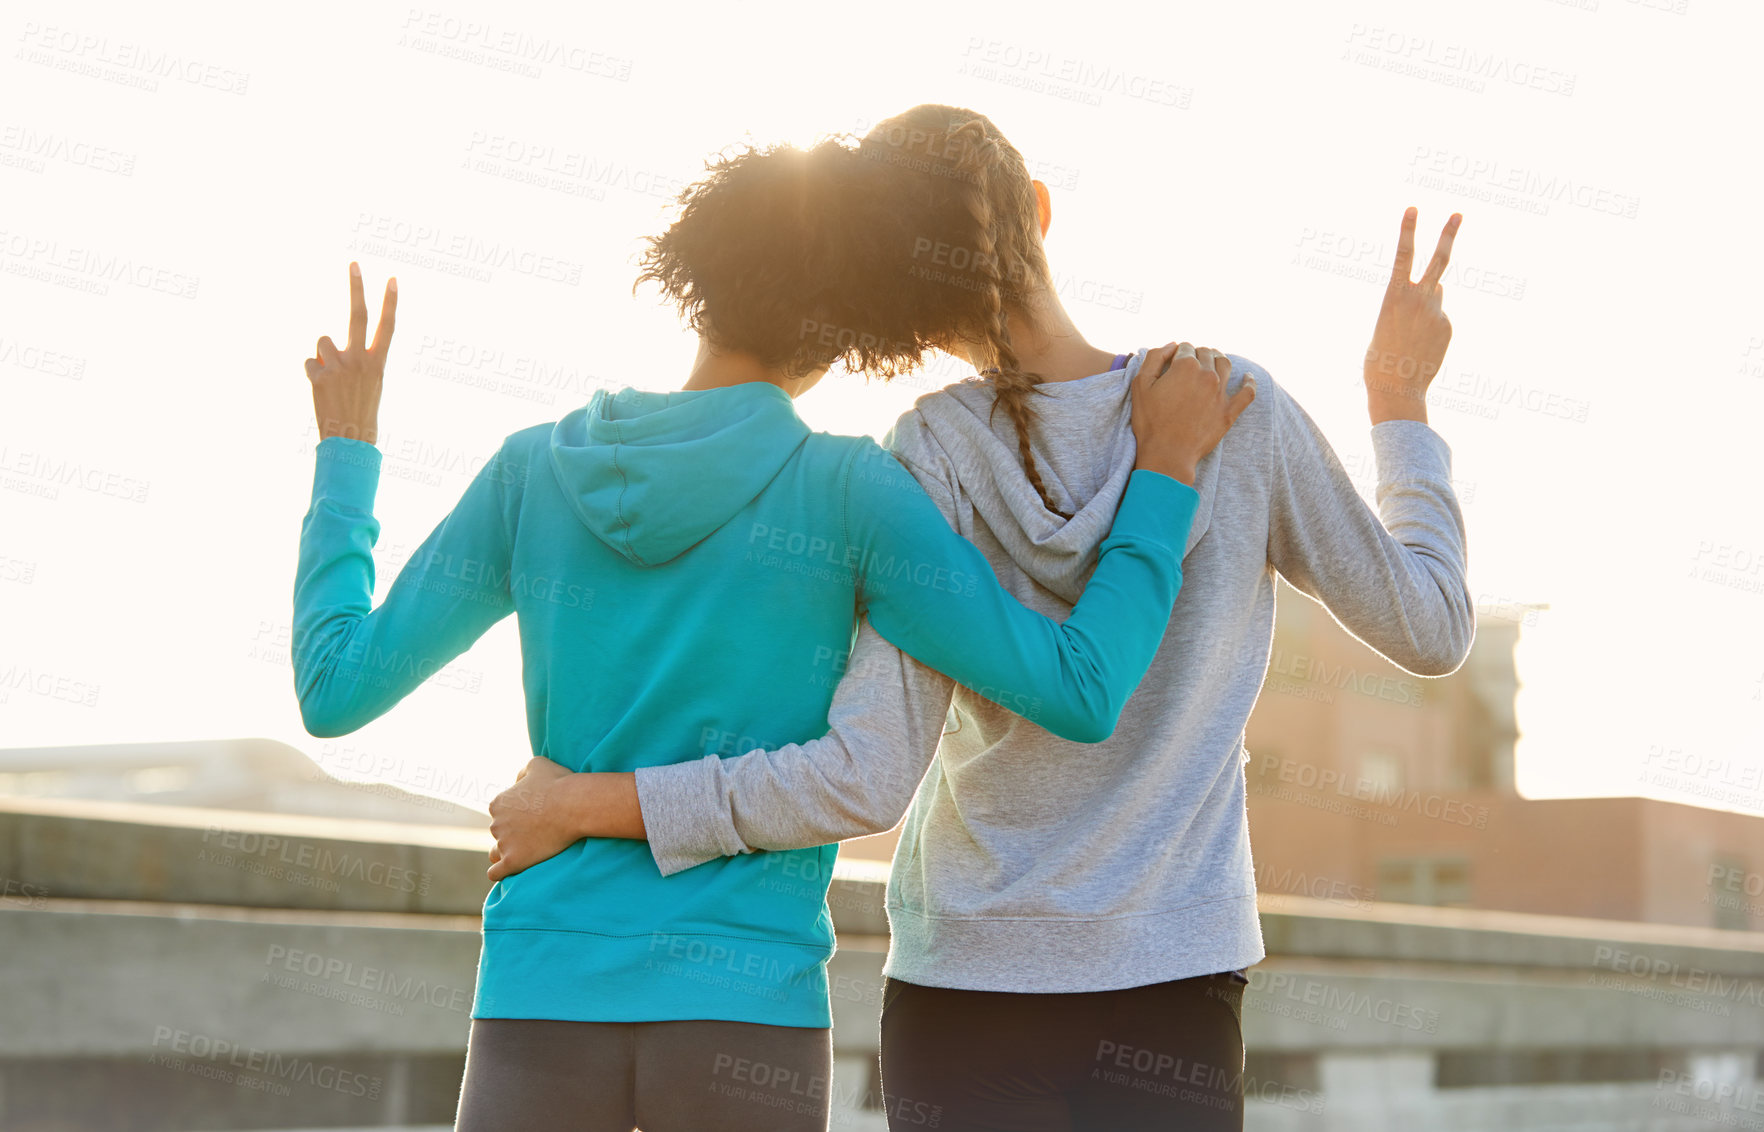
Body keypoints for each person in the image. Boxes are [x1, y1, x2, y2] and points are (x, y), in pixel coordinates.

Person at [487, 105, 1473, 1131]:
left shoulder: (926, 460)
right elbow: (1432, 623)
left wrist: (591, 802)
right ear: (1036, 212)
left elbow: (862, 776)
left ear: (904, 319)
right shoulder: (1230, 409)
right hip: (1171, 985)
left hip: (966, 991)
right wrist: (1397, 394)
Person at [292, 135, 1253, 1132]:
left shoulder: (530, 472)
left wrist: (348, 454)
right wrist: (1165, 478)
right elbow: (1080, 686)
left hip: (541, 987)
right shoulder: (851, 494)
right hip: (747, 1013)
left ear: (699, 283)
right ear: (853, 331)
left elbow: (335, 687)